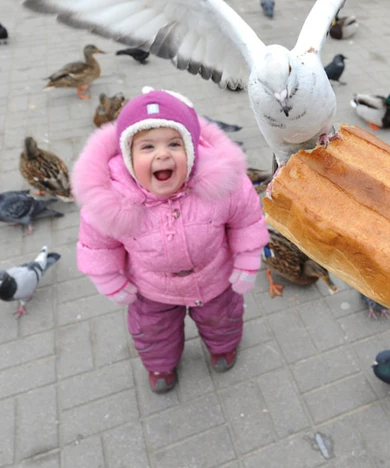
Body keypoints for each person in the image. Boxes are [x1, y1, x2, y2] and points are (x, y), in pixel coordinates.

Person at [72, 87, 268, 393]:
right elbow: (98, 245)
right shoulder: (110, 199)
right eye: (147, 147)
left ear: (192, 150)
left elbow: (246, 218)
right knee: (153, 332)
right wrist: (110, 280)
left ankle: (223, 346)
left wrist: (247, 259)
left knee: (224, 318)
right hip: (151, 289)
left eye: (174, 144)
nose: (163, 154)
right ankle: (160, 365)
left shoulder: (221, 184)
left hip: (215, 277)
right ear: (126, 158)